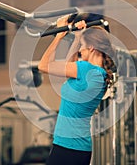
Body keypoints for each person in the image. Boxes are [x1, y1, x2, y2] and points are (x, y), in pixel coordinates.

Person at [38, 15, 116, 165]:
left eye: (82, 45)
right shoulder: (98, 74)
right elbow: (69, 67)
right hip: (79, 149)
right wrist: (77, 38)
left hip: (66, 148)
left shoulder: (85, 69)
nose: (80, 49)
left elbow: (43, 65)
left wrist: (59, 36)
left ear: (91, 47)